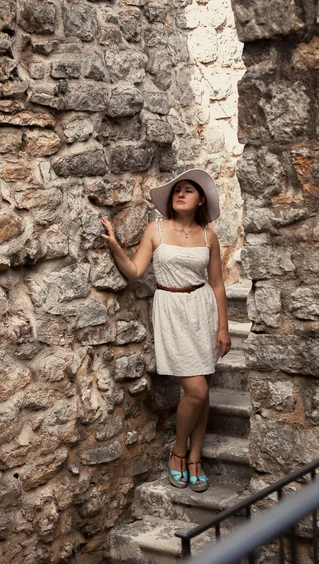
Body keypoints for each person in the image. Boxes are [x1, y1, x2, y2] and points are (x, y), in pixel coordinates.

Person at [101, 169, 231, 492]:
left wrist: (224, 327)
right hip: (171, 310)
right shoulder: (155, 230)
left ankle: (195, 458)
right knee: (196, 391)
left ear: (200, 199)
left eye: (188, 190)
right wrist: (116, 246)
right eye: (177, 190)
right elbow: (134, 271)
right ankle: (178, 451)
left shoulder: (208, 236)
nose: (181, 194)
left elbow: (217, 284)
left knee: (204, 391)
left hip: (203, 310)